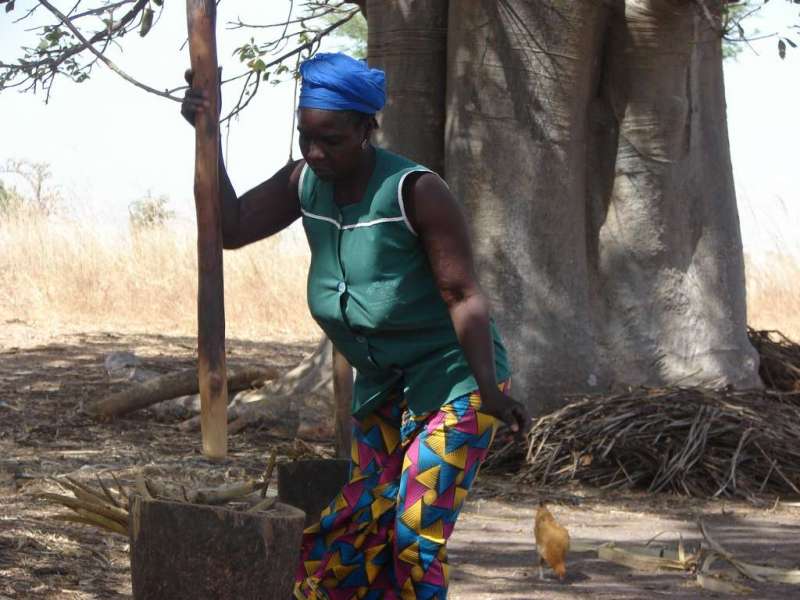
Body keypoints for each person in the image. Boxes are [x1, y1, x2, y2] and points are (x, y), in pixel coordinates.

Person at [182, 52, 530, 600]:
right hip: (383, 388)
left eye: (332, 139)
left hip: (454, 385)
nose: (316, 153)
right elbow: (231, 227)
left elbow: (462, 294)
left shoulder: (414, 192)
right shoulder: (305, 182)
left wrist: (490, 391)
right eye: (306, 138)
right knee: (358, 530)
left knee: (415, 536)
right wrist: (209, 132)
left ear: (368, 129)